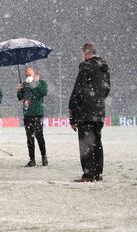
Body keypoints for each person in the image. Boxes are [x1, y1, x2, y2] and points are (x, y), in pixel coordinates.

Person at [69, 42, 110, 182]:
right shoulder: (104, 67)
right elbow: (106, 89)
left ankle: (88, 174)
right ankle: (98, 173)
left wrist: (72, 112)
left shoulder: (85, 66)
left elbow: (78, 90)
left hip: (85, 112)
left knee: (86, 144)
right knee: (97, 142)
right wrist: (97, 101)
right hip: (98, 111)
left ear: (86, 53)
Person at [17, 67, 48, 167]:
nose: (28, 77)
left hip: (38, 113)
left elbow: (43, 92)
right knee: (29, 138)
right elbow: (20, 97)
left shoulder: (41, 83)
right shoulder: (25, 84)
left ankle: (44, 157)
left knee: (39, 136)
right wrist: (19, 90)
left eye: (29, 75)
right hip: (28, 114)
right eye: (26, 75)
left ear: (34, 74)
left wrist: (35, 83)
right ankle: (32, 159)